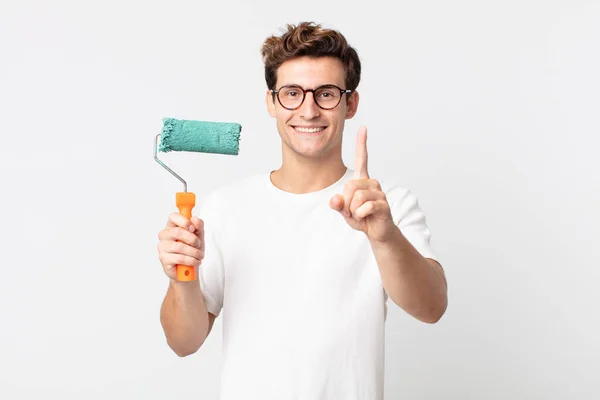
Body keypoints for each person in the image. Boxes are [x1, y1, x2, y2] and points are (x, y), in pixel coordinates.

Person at [157, 21, 447, 400]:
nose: (308, 111)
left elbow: (432, 307)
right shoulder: (224, 208)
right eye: (292, 93)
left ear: (350, 102)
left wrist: (386, 237)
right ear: (271, 102)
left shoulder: (384, 204)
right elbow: (184, 342)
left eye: (326, 93)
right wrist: (183, 278)